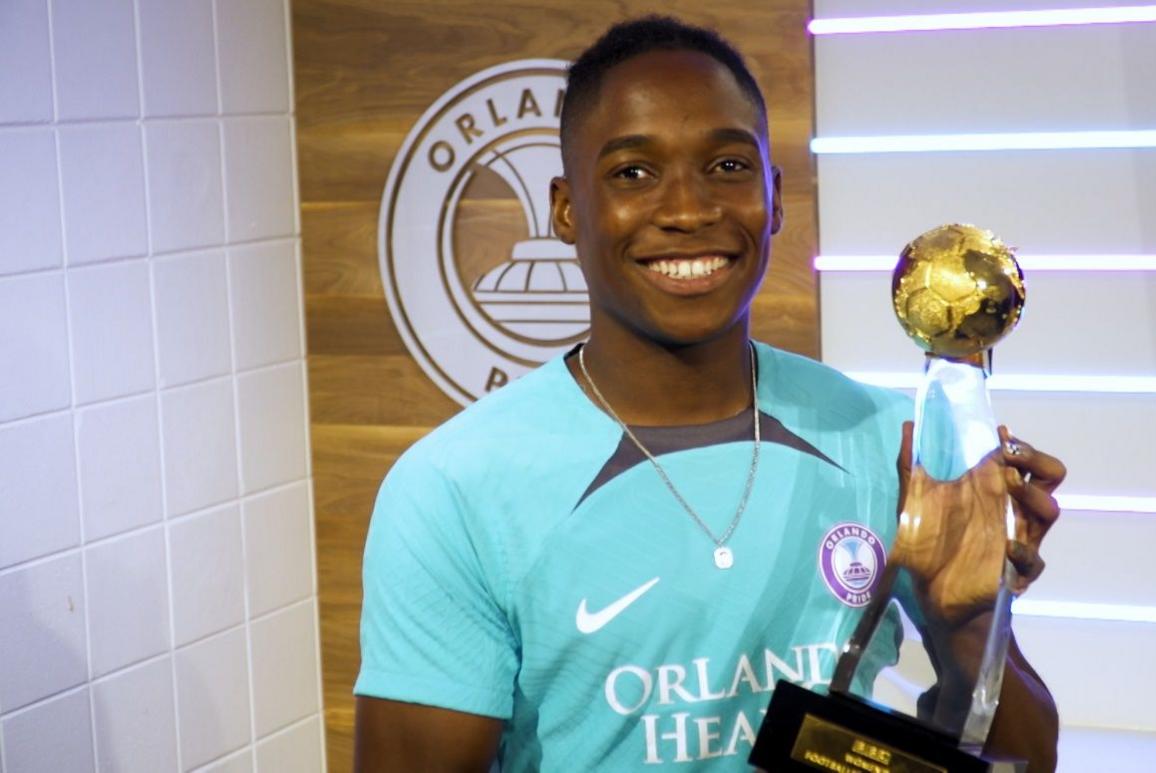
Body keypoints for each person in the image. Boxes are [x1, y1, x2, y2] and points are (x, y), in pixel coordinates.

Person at [354, 16, 1065, 771]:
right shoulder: (454, 489)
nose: (689, 210)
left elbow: (1027, 760)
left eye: (727, 166)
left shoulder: (888, 442)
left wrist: (970, 626)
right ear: (566, 209)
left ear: (774, 195)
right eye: (633, 172)